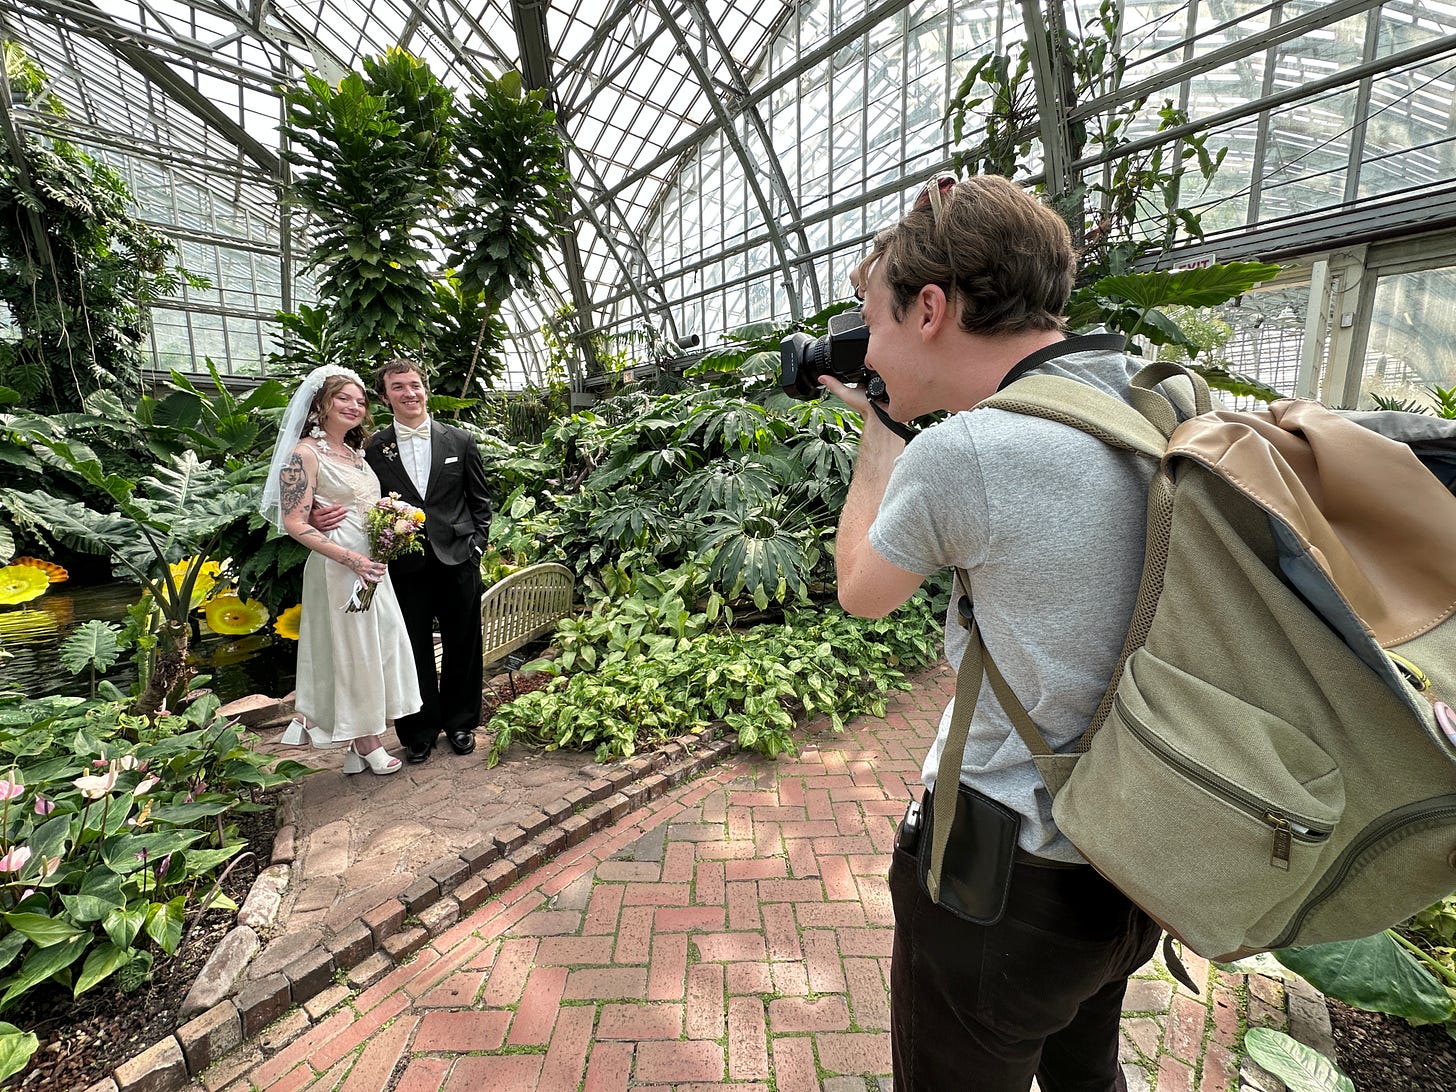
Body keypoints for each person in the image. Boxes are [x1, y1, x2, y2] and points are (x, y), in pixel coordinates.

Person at [825, 174, 1162, 1092]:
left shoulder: (966, 454)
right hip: (1137, 861)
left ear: (930, 306)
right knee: (1086, 1073)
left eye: (874, 318)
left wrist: (878, 450)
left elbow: (862, 591)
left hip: (1004, 885)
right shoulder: (1152, 402)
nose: (869, 349)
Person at [313, 359, 493, 763]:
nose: (409, 393)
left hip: (458, 558)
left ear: (424, 389)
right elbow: (347, 492)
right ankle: (418, 730)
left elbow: (480, 502)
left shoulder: (460, 441)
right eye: (398, 387)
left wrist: (476, 547)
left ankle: (462, 723)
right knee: (409, 647)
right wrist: (313, 515)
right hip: (402, 564)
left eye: (414, 385)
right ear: (385, 396)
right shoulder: (372, 448)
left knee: (463, 641)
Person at [259, 365, 421, 775]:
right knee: (353, 655)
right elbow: (294, 523)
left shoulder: (355, 453)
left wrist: (391, 523)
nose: (354, 406)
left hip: (372, 567)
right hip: (339, 569)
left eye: (360, 400)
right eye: (343, 398)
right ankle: (367, 743)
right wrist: (352, 559)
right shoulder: (303, 455)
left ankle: (356, 743)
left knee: (379, 650)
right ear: (321, 405)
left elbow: (361, 506)